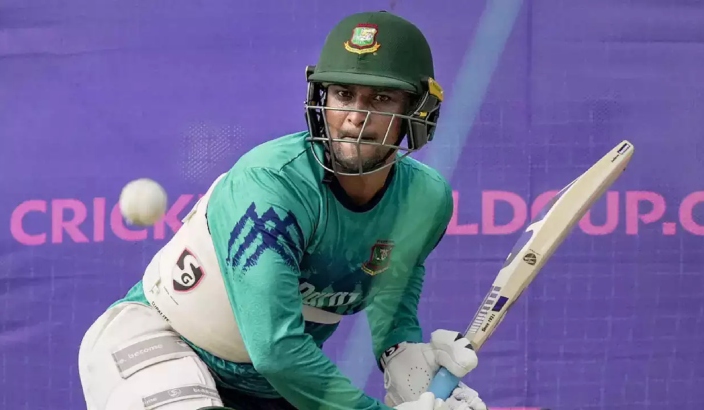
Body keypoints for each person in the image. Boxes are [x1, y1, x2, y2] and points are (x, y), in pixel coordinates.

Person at [78, 10, 488, 410]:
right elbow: (276, 350)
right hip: (159, 340)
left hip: (268, 389)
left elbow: (391, 294)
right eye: (344, 94)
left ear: (417, 111)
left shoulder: (425, 199)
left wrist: (403, 355)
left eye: (381, 99)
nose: (354, 119)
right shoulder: (272, 185)